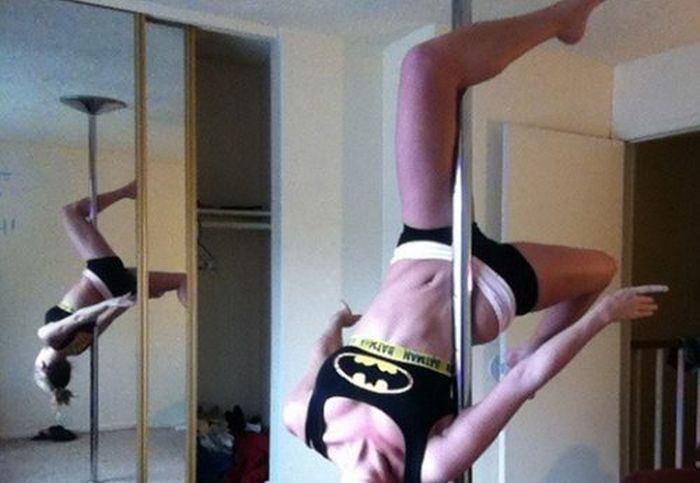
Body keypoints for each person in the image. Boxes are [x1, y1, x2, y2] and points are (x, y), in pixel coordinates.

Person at [283, 1, 668, 481]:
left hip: (425, 244)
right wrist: (601, 318)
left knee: (426, 66)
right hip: (484, 298)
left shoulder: (302, 418)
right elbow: (523, 381)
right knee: (602, 269)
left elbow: (319, 357)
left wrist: (335, 324)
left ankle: (564, 16)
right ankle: (562, 18)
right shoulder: (431, 465)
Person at [34, 180, 187, 408]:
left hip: (118, 287)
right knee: (71, 212)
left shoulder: (77, 349)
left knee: (182, 280)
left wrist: (127, 301)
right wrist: (112, 303)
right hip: (102, 275)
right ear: (43, 366)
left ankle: (199, 319)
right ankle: (126, 191)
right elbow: (79, 317)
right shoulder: (48, 337)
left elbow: (104, 321)